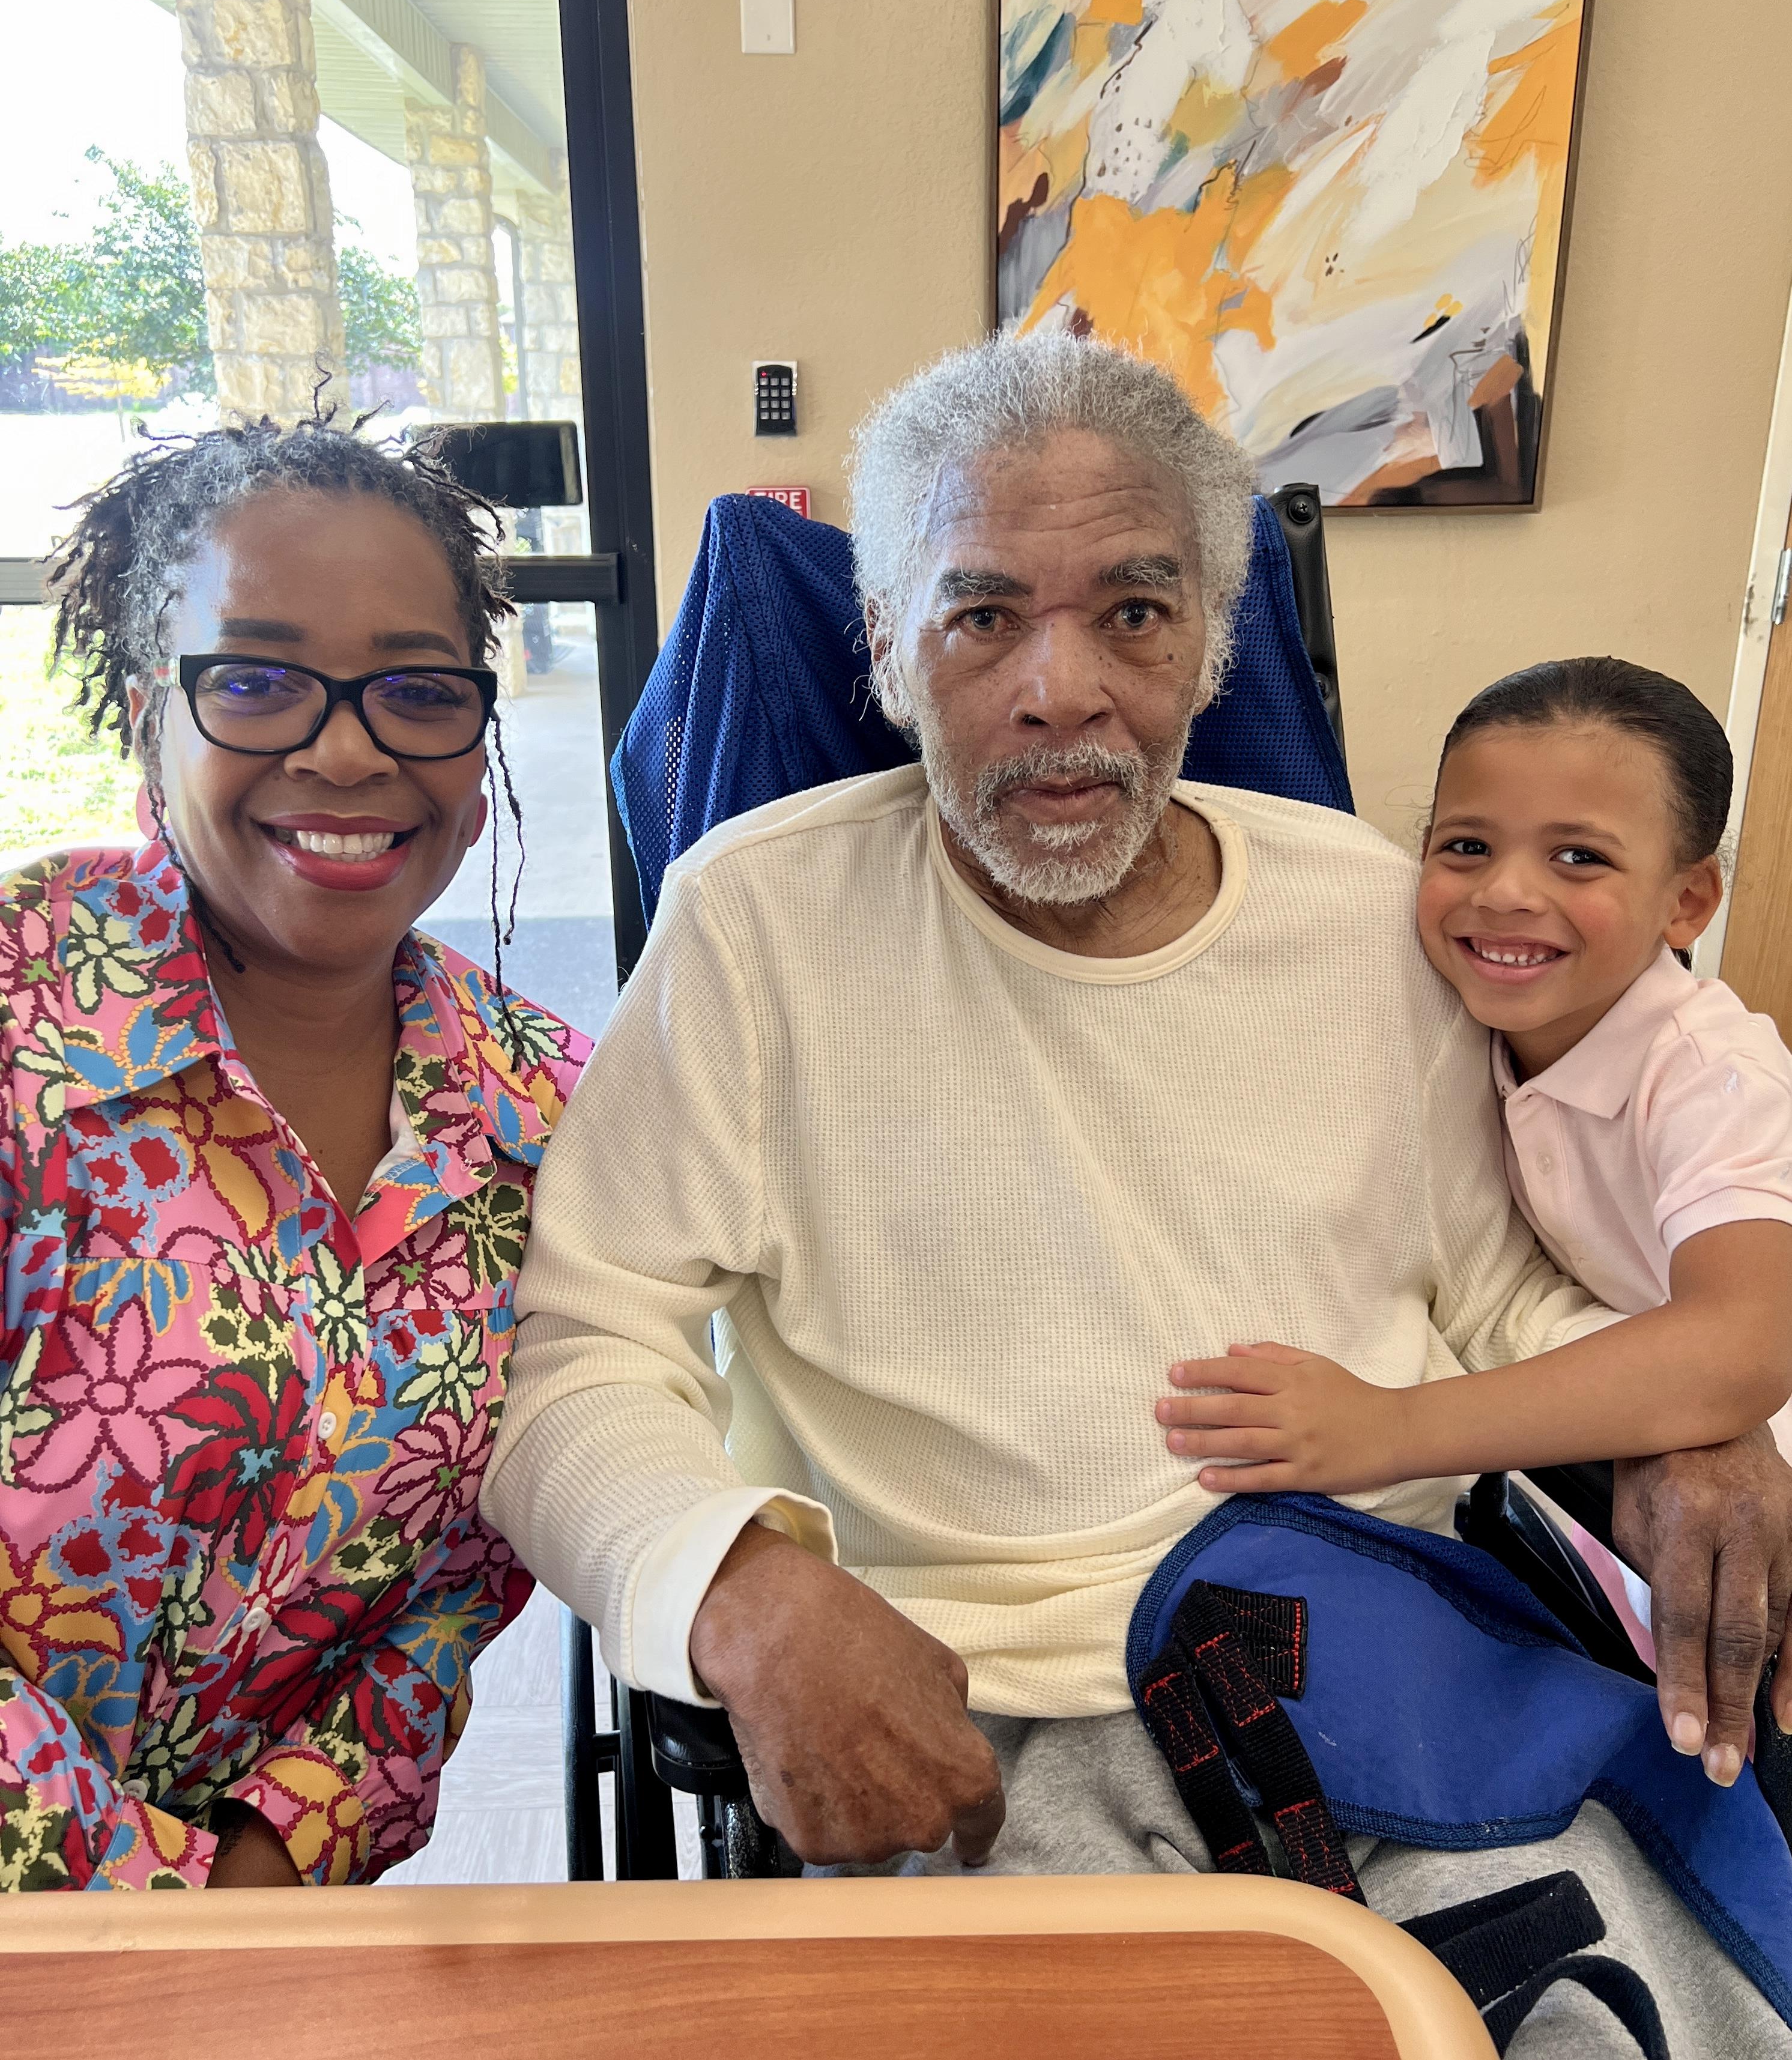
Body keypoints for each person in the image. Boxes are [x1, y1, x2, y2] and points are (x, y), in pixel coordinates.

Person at [488, 335, 1792, 2055]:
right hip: (983, 1723)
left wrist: (1682, 1422)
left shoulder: (1366, 919)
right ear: (886, 649)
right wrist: (745, 1590)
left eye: (1132, 612)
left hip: (1389, 1664)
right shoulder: (758, 929)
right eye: (981, 618)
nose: (1062, 690)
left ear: (1210, 646)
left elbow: (1494, 1296)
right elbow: (577, 1358)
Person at [0, 414, 589, 1891]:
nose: (346, 749)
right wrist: (144, 1918)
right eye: (254, 680)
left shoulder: (543, 1111)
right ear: (150, 705)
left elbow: (459, 1587)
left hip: (261, 1942)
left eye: (415, 689)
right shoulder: (23, 1010)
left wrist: (263, 1881)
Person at [1158, 658, 1792, 1762]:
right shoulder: (1474, 1021)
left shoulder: (1710, 1074)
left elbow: (1740, 1344)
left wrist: (1386, 1429)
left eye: (1579, 857)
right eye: (1465, 845)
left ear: (1687, 901)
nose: (1506, 890)